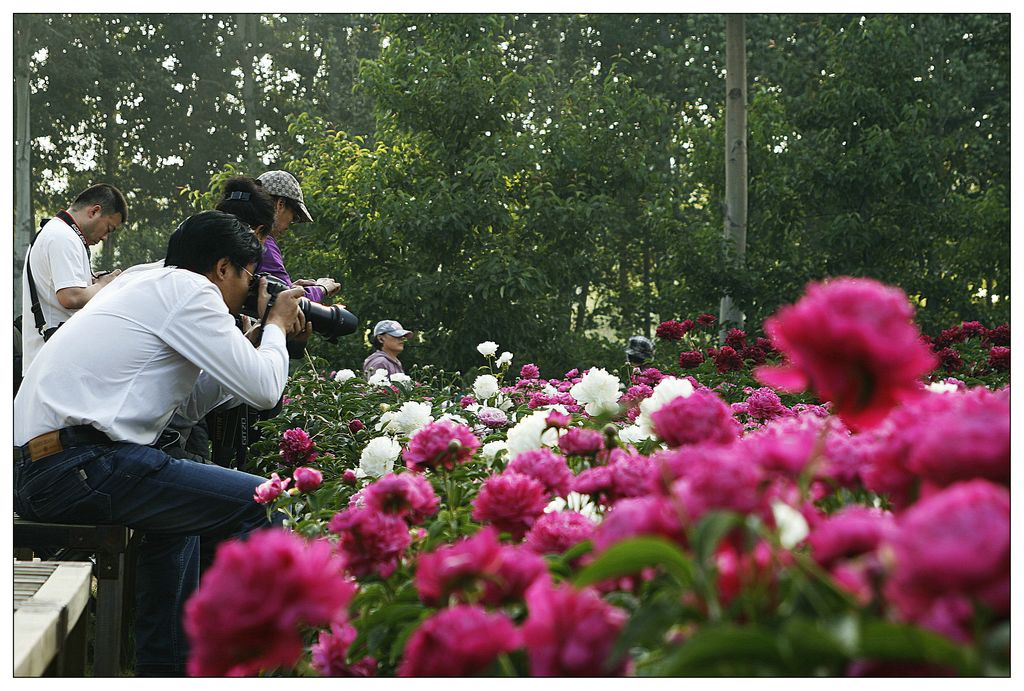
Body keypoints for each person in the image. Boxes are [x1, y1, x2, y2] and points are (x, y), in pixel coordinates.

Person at [13, 210, 306, 676]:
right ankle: (244, 668)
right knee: (267, 503)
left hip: (44, 468)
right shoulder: (193, 292)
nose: (250, 289)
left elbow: (189, 408)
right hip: (81, 464)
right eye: (250, 276)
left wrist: (248, 343)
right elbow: (266, 389)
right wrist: (276, 328)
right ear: (223, 268)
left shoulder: (144, 283)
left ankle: (167, 671)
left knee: (180, 514)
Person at [19, 183, 127, 374]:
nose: (105, 238)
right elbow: (71, 297)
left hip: (49, 362)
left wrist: (93, 282)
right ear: (94, 211)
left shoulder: (56, 232)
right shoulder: (63, 237)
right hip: (53, 366)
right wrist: (104, 285)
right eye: (109, 228)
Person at [255, 169, 341, 302]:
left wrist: (290, 286)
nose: (290, 224)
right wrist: (322, 288)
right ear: (280, 205)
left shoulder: (239, 232)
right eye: (294, 217)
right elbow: (289, 302)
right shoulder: (263, 243)